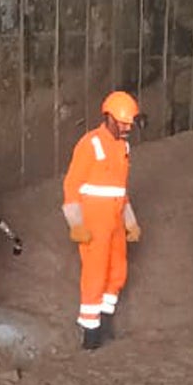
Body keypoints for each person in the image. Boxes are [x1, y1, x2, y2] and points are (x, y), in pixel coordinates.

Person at [62, 91, 142, 349]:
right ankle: (90, 333)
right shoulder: (90, 144)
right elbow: (71, 186)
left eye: (130, 123)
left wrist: (130, 222)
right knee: (95, 275)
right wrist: (76, 223)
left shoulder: (123, 147)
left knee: (117, 272)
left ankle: (105, 321)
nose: (128, 128)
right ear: (109, 118)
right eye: (124, 123)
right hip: (94, 223)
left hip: (115, 220)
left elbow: (121, 190)